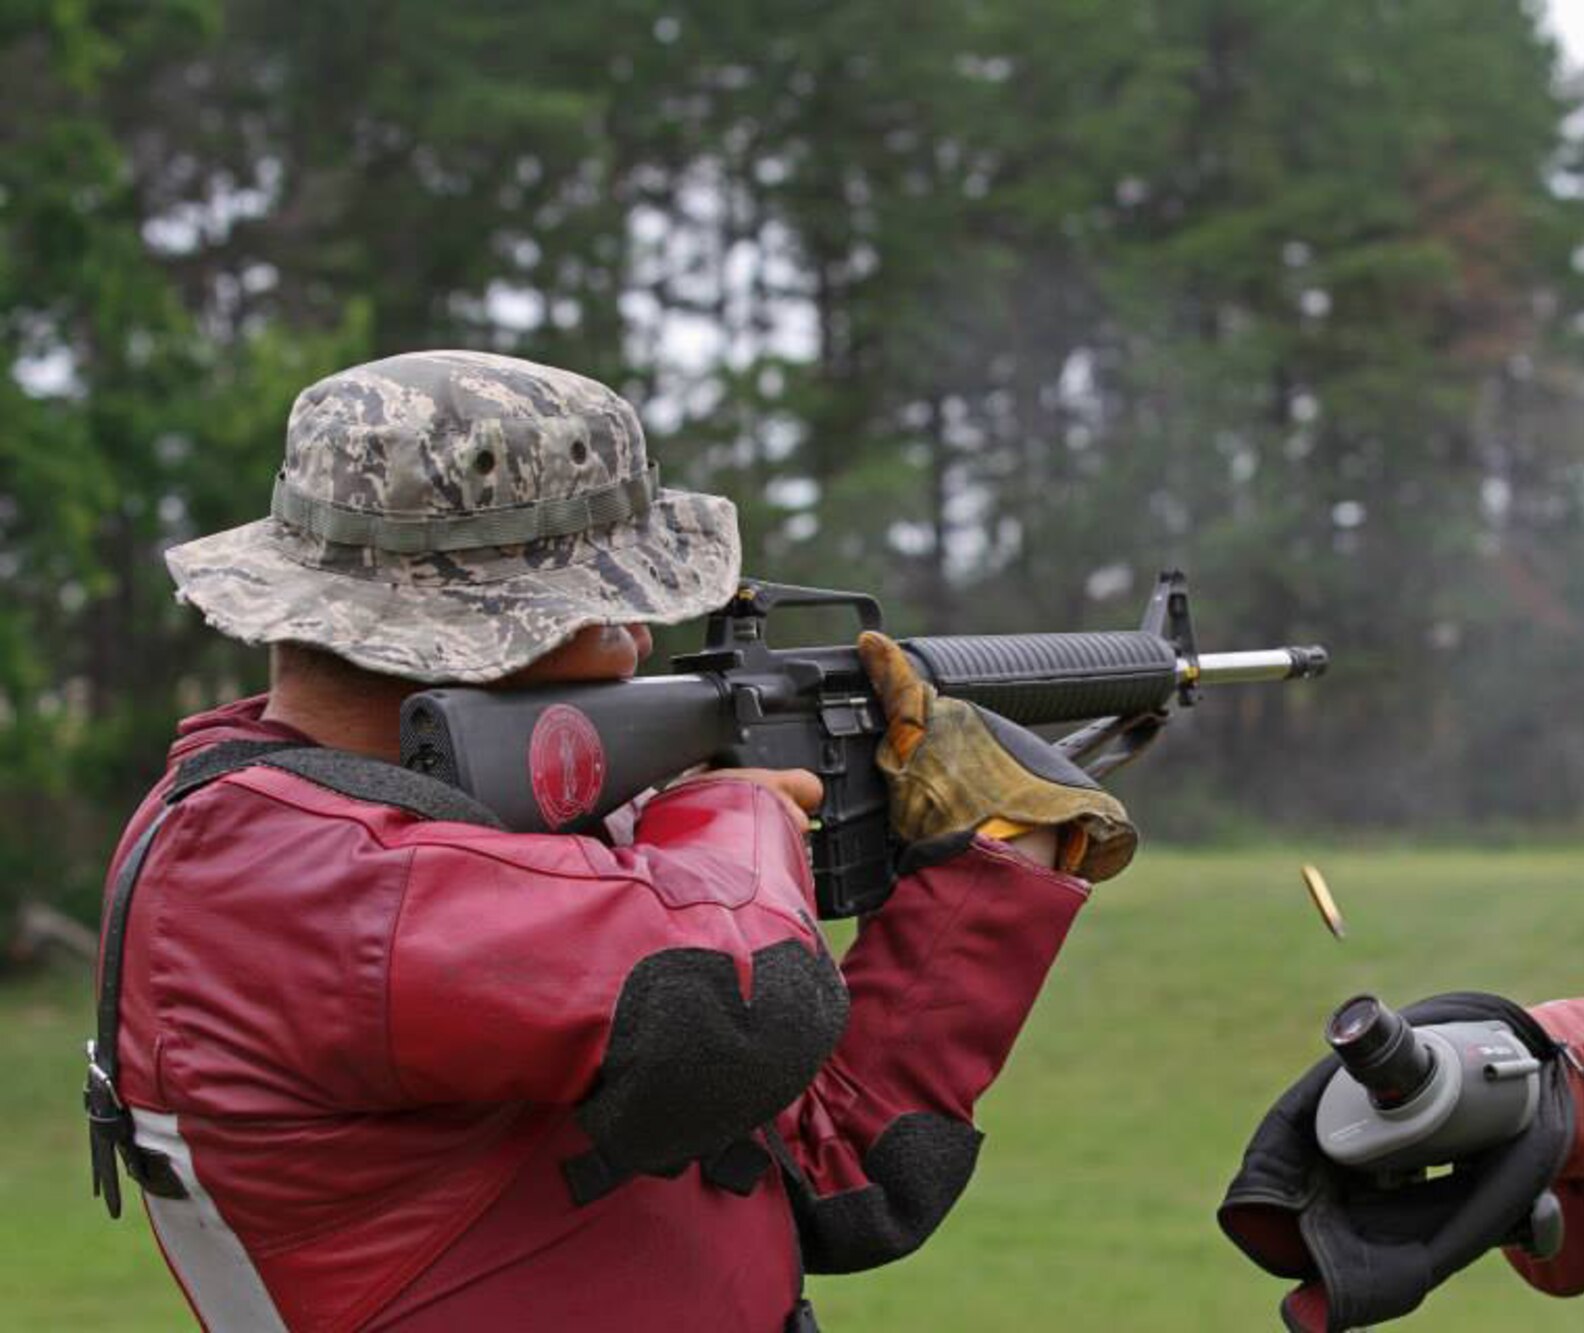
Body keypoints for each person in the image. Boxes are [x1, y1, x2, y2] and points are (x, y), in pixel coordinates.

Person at [88, 350, 1137, 1332]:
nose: (640, 644)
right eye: (614, 609)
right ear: (496, 628)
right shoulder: (284, 871)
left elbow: (835, 1175)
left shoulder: (447, 837)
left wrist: (997, 867)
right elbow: (742, 1009)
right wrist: (739, 808)